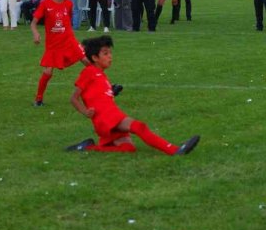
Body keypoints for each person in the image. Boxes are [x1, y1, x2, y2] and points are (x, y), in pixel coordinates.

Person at [64, 35, 199, 155]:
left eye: (110, 53)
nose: (110, 56)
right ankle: (174, 150)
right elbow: (74, 98)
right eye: (105, 53)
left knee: (128, 148)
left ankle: (88, 148)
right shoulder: (89, 72)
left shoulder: (101, 74)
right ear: (94, 58)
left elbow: (98, 95)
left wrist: (112, 91)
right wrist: (85, 112)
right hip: (106, 117)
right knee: (139, 127)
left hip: (110, 115)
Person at [31, 0, 90, 106]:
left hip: (69, 41)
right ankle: (39, 98)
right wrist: (35, 34)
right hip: (53, 45)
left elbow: (67, 21)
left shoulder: (68, 3)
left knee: (88, 61)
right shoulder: (45, 4)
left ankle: (107, 87)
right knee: (47, 72)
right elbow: (33, 23)